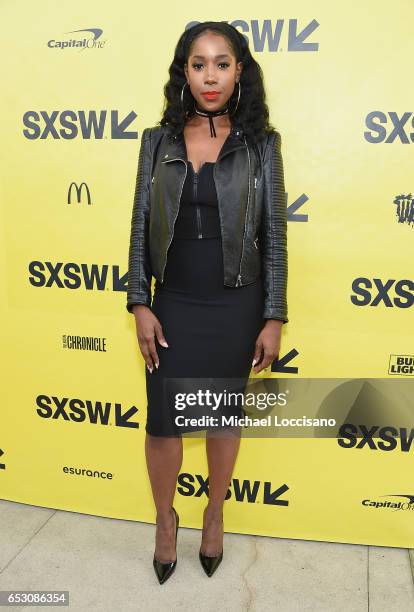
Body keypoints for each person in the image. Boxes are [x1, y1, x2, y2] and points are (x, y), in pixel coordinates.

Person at [126, 21, 289, 584]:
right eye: (199, 64)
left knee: (220, 418)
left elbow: (273, 236)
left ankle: (214, 512)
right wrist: (139, 303)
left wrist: (273, 315)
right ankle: (165, 520)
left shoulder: (262, 144)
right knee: (165, 425)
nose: (210, 75)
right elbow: (139, 224)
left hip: (235, 304)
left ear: (240, 70)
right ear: (184, 73)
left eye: (222, 63)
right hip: (172, 302)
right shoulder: (157, 140)